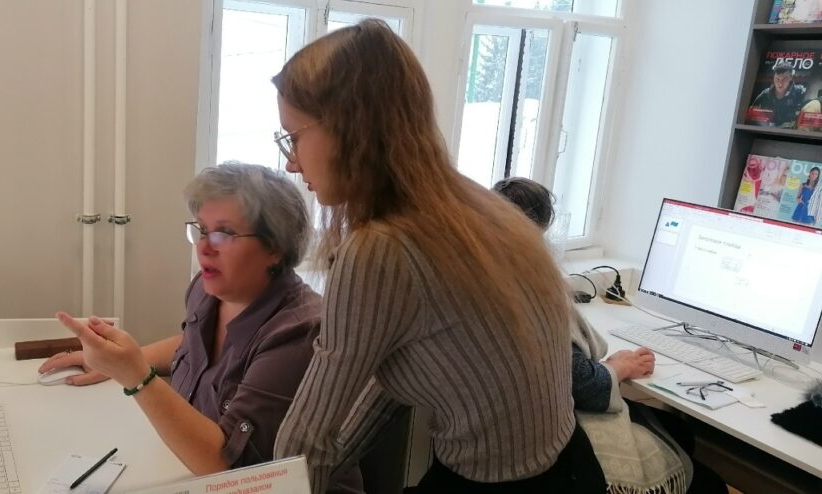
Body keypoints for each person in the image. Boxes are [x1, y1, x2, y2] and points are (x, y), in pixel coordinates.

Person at [271, 19, 605, 493]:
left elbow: (308, 432)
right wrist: (321, 466)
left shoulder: (379, 249)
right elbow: (392, 374)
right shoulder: (471, 205)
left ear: (348, 130)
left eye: (293, 137)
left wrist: (287, 482)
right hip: (572, 469)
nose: (291, 162)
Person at [41, 163, 363, 492]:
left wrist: (135, 374)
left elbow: (228, 467)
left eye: (224, 233)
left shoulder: (299, 334)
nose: (203, 247)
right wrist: (114, 361)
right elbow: (191, 345)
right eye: (201, 230)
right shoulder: (208, 291)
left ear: (274, 248)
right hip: (189, 470)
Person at [494, 177, 728, 494]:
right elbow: (581, 384)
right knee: (703, 473)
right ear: (541, 231)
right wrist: (618, 368)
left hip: (506, 431)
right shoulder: (533, 291)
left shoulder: (484, 274)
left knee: (676, 429)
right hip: (545, 446)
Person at [749, 61, 807, 128]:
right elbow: (751, 113)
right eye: (777, 79)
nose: (780, 83)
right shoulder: (765, 94)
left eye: (784, 79)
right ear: (774, 77)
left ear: (791, 77)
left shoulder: (801, 93)